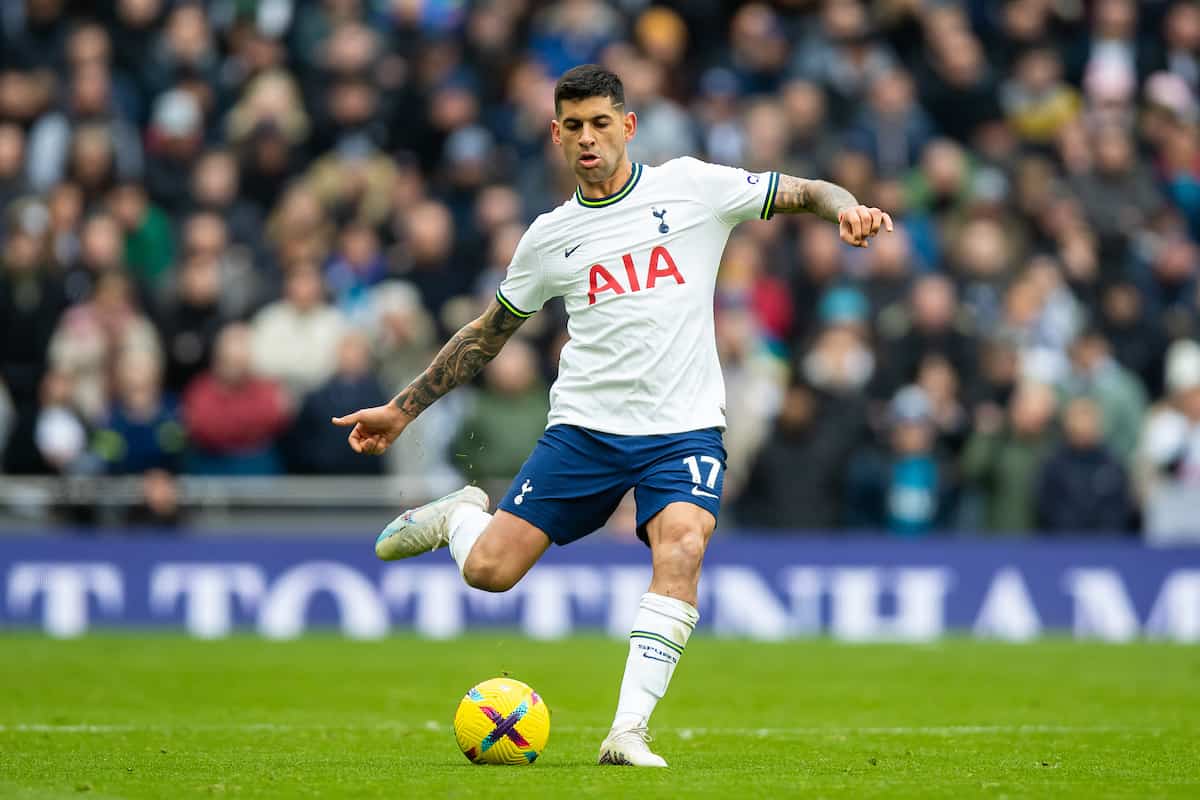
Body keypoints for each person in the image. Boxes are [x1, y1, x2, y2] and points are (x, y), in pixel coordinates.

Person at [331, 65, 892, 767]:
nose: (588, 139)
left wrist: (847, 208)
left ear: (627, 126)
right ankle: (459, 516)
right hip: (586, 430)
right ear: (556, 136)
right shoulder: (549, 237)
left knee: (683, 544)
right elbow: (487, 333)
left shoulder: (692, 186)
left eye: (601, 123)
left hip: (683, 426)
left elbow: (806, 189)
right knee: (490, 573)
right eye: (574, 127)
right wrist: (402, 408)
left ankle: (627, 731)